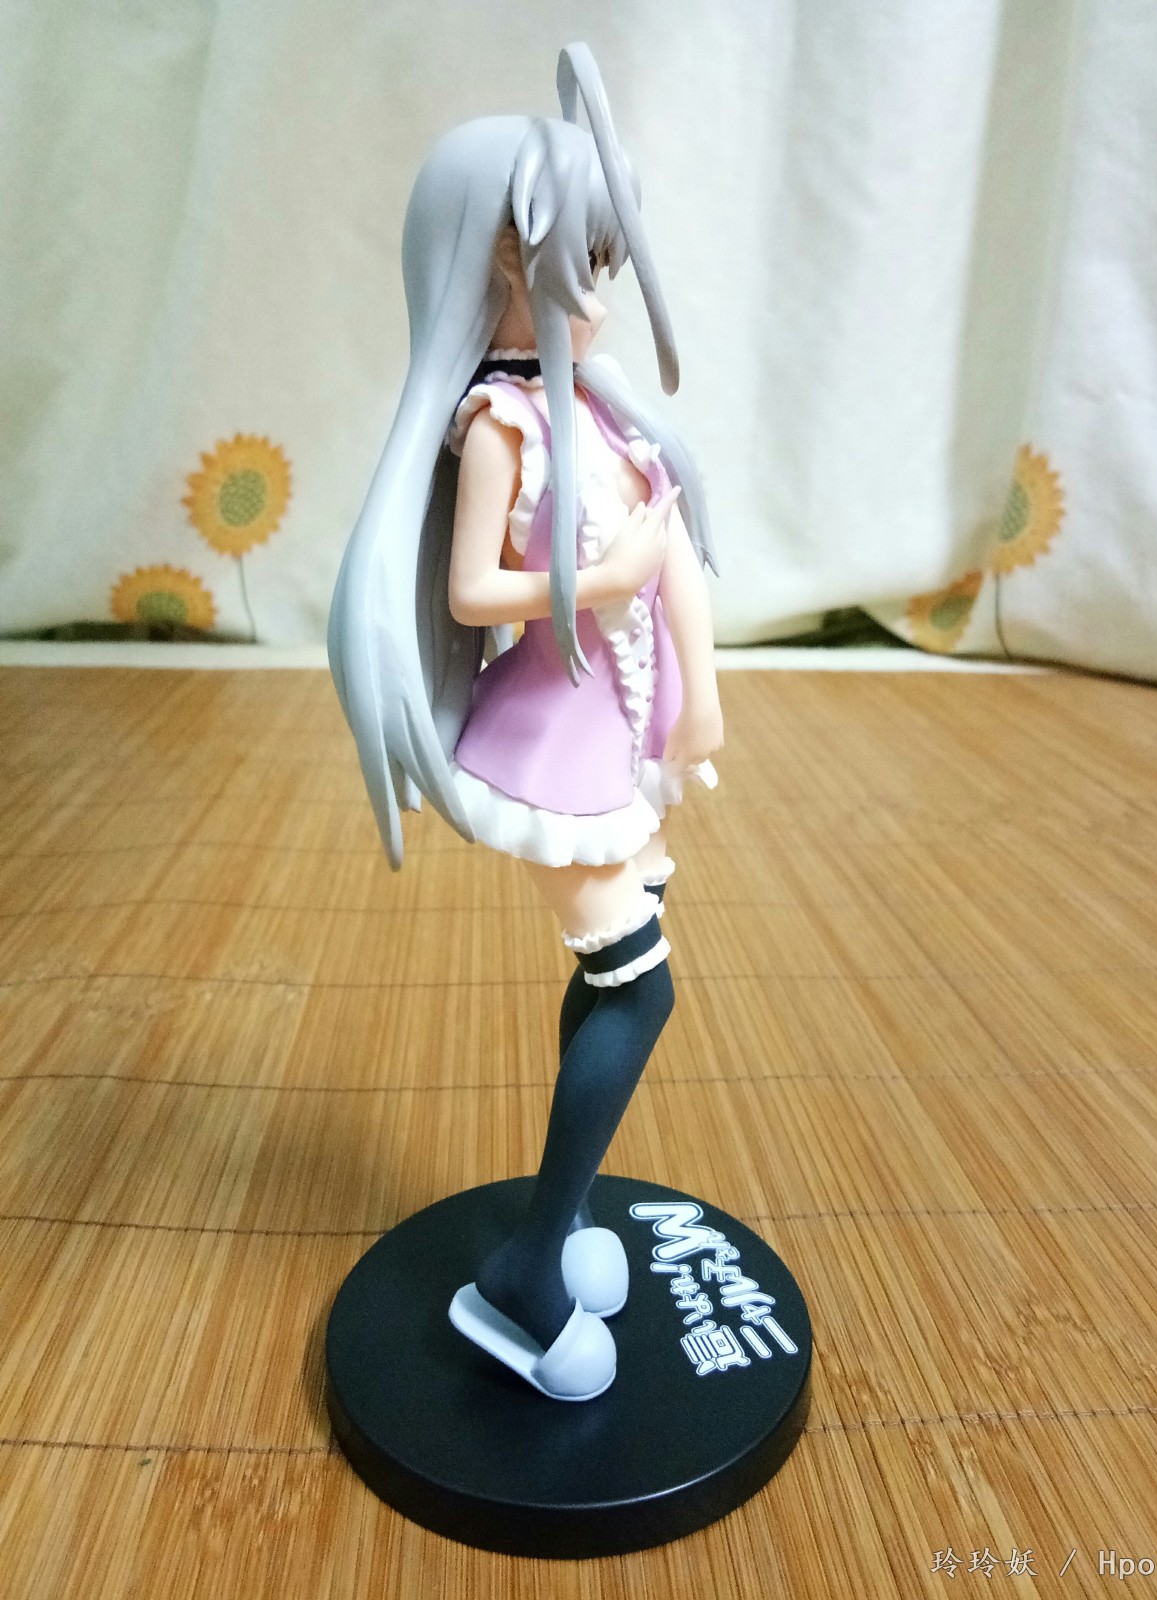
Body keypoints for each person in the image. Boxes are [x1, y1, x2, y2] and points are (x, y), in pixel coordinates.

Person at [328, 44, 721, 1400]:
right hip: (553, 739)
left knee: (613, 973)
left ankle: (558, 1227)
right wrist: (603, 582)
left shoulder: (592, 411)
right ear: (499, 262)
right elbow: (474, 590)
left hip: (618, 731)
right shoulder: (502, 419)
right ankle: (525, 1275)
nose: (596, 293)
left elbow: (671, 548)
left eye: (607, 264)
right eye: (575, 263)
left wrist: (701, 694)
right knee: (640, 986)